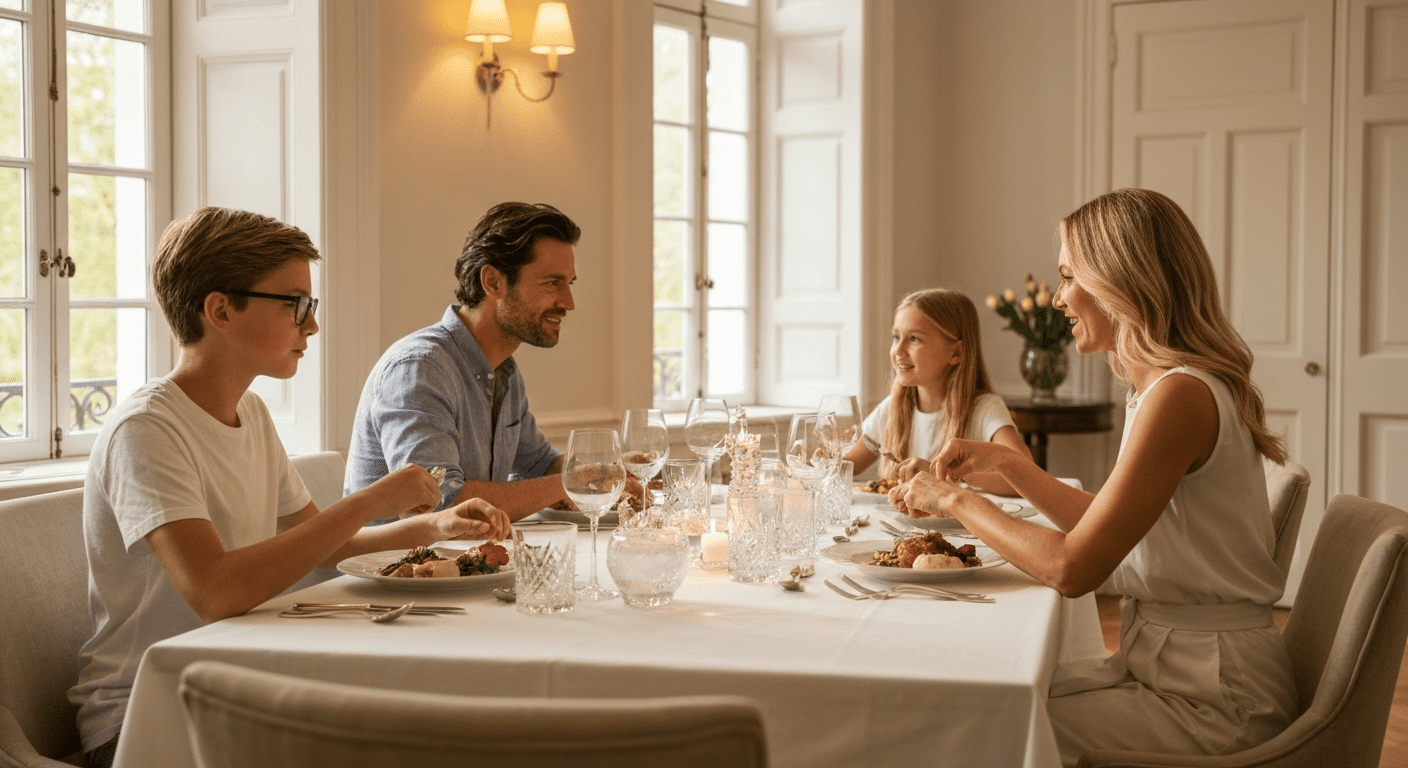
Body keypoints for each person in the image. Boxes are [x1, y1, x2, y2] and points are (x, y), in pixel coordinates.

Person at [67, 207, 511, 768]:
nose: (312, 326)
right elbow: (215, 592)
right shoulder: (147, 429)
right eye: (296, 305)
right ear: (220, 310)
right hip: (145, 717)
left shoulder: (249, 412)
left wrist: (432, 525)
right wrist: (372, 499)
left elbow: (327, 547)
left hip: (240, 680)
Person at [892, 189, 1295, 764]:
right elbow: (1107, 527)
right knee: (985, 700)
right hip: (1178, 671)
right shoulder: (1162, 389)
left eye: (1067, 277)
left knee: (976, 726)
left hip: (1217, 698)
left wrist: (956, 499)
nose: (1057, 299)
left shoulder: (1178, 396)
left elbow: (1073, 566)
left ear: (1120, 281)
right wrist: (1011, 466)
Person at [346, 202, 635, 521]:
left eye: (569, 283)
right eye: (552, 283)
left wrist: (614, 474)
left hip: (471, 562)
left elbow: (537, 464)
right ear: (493, 282)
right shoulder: (419, 369)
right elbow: (440, 504)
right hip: (386, 568)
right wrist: (570, 483)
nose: (569, 302)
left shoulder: (503, 371)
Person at [844, 288, 1032, 495]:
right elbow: (846, 467)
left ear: (956, 352)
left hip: (962, 528)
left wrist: (943, 471)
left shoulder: (984, 409)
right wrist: (818, 462)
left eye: (914, 339)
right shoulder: (891, 408)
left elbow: (1027, 477)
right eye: (896, 337)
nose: (898, 350)